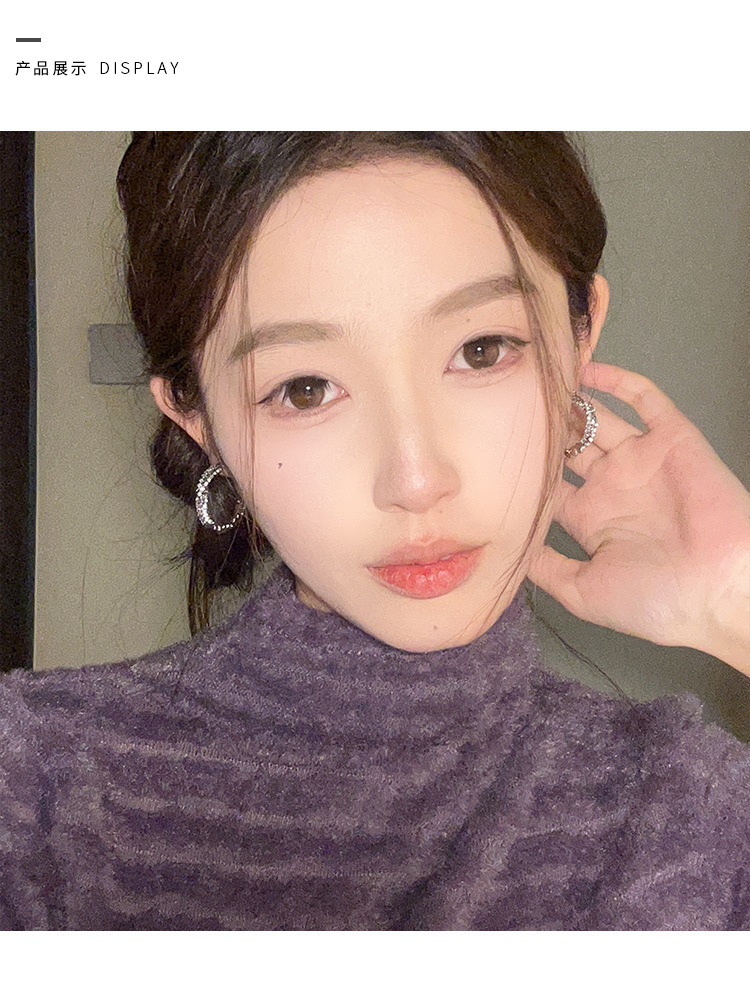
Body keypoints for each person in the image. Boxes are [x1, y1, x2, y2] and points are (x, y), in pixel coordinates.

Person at [1, 132, 748, 930]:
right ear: (200, 421)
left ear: (579, 336)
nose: (416, 480)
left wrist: (735, 597)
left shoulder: (694, 806)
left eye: (481, 349)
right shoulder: (36, 785)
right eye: (305, 389)